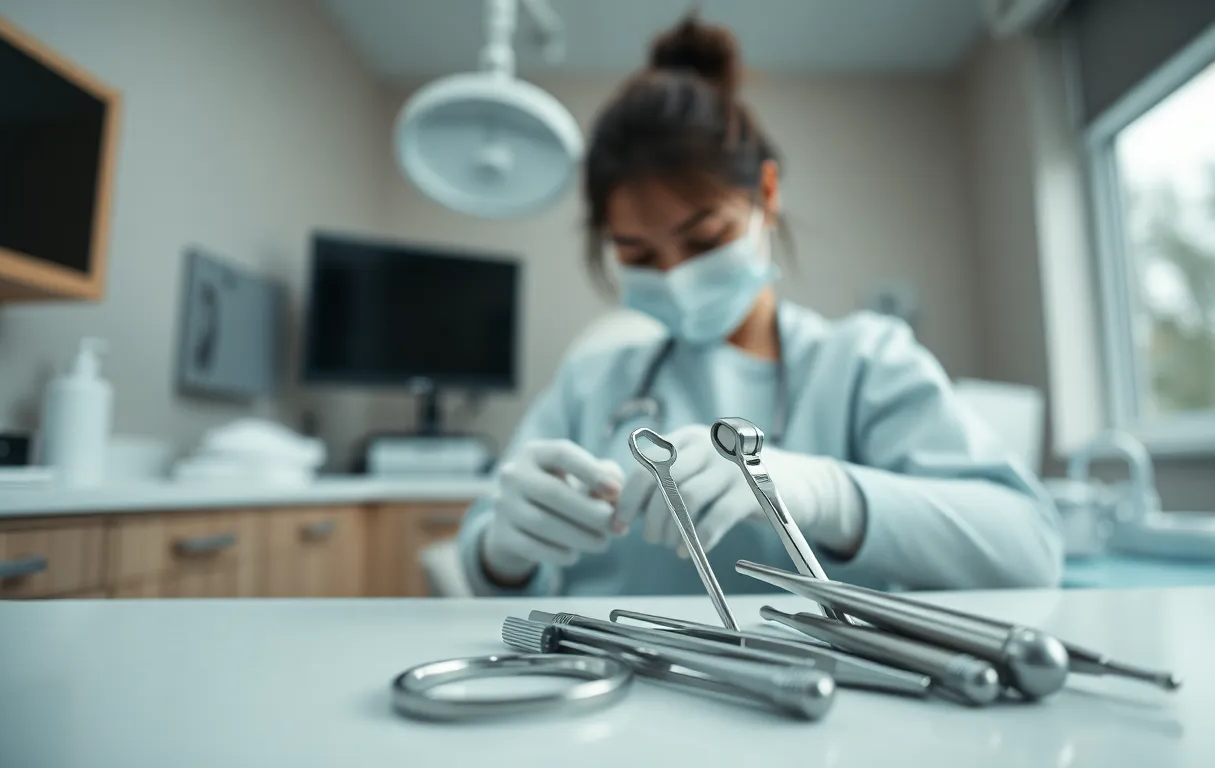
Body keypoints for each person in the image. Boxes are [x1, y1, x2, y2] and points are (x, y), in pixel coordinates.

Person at [455, 16, 1062, 598]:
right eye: (639, 255)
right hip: (614, 689)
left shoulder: (861, 362)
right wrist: (502, 552)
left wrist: (820, 491)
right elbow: (485, 560)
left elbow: (1029, 547)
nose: (677, 278)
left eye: (704, 241)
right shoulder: (592, 382)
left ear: (765, 197)